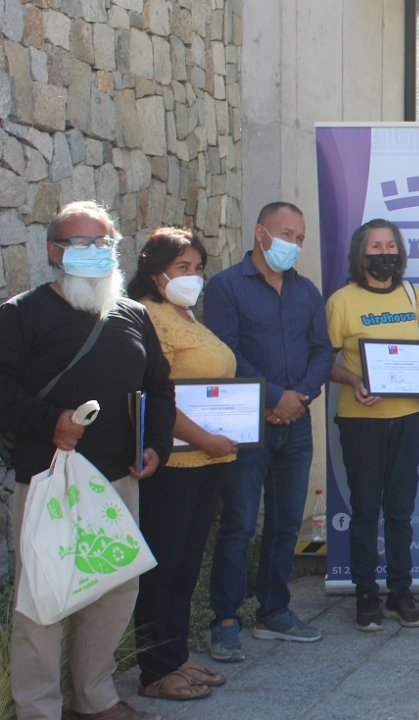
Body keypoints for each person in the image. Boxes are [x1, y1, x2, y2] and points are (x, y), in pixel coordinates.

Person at [1, 200, 175, 720]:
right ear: (55, 251)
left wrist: (155, 445)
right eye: (82, 243)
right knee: (43, 599)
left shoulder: (133, 315)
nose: (96, 251)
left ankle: (95, 700)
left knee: (115, 590)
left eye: (104, 242)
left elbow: (159, 388)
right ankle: (38, 710)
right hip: (47, 479)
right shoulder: (20, 314)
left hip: (119, 478)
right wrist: (48, 420)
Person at [203, 201, 333, 660]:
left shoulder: (306, 291)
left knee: (285, 523)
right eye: (286, 234)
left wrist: (298, 397)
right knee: (239, 523)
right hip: (246, 423)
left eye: (300, 238)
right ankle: (224, 620)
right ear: (260, 233)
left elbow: (322, 352)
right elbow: (225, 352)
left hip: (295, 424)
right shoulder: (226, 287)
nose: (293, 244)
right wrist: (274, 396)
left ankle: (274, 611)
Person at [128, 227, 237, 701]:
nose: (194, 276)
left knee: (186, 565)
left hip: (208, 460)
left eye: (198, 268)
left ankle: (175, 656)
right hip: (172, 462)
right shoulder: (148, 318)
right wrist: (206, 439)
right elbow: (158, 396)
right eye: (182, 268)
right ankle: (154, 670)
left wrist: (215, 443)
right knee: (163, 567)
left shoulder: (187, 315)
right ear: (156, 275)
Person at [326, 219, 419, 631]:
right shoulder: (341, 301)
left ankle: (400, 592)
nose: (384, 252)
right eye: (375, 246)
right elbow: (325, 362)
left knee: (401, 509)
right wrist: (354, 380)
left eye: (391, 245)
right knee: (365, 509)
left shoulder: (411, 294)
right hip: (362, 421)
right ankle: (365, 594)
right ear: (361, 253)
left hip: (408, 417)